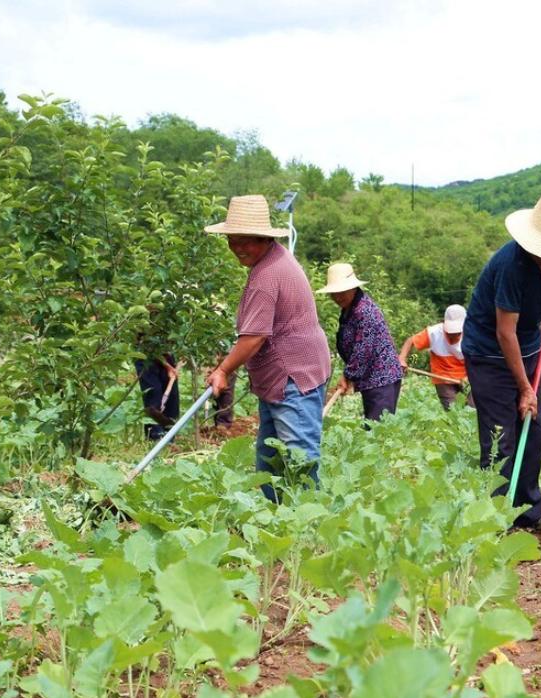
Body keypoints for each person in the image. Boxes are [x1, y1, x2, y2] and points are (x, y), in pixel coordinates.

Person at [462, 191, 541, 528]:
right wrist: (524, 388)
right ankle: (496, 517)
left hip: (530, 347)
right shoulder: (510, 266)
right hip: (490, 355)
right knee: (501, 438)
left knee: (533, 435)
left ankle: (529, 513)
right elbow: (506, 333)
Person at [203, 195, 331, 502]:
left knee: (298, 456)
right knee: (270, 455)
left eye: (246, 241)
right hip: (285, 374)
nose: (238, 248)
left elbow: (254, 337)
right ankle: (273, 515)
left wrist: (223, 370)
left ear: (263, 238)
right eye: (233, 241)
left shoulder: (267, 274)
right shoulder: (274, 259)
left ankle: (308, 523)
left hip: (293, 375)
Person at [318, 263, 404, 421]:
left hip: (381, 378)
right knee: (374, 426)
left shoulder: (364, 311)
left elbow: (363, 350)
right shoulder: (350, 309)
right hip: (371, 379)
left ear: (353, 288)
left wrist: (348, 376)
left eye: (342, 292)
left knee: (378, 430)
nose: (338, 297)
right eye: (334, 293)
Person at [397, 305, 474, 410]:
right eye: (450, 333)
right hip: (443, 378)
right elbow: (411, 341)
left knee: (473, 410)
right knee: (453, 412)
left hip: (468, 378)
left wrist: (472, 376)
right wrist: (401, 358)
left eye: (457, 333)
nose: (453, 336)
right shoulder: (434, 333)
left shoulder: (473, 335)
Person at [135, 352, 179, 440]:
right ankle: (156, 437)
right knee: (153, 396)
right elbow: (147, 347)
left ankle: (169, 437)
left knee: (171, 401)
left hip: (167, 355)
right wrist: (167, 366)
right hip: (147, 357)